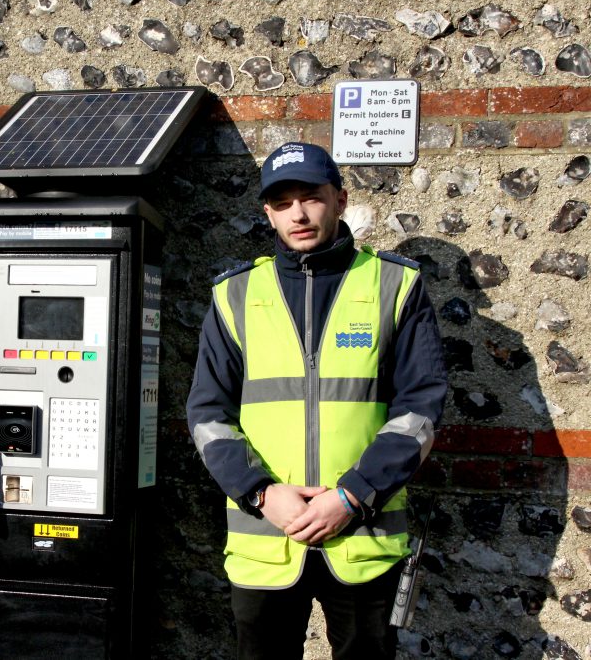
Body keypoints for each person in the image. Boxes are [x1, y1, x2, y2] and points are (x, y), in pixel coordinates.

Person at [186, 142, 447, 659]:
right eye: (283, 204)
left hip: (363, 539)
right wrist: (261, 493)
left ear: (341, 199)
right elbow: (208, 415)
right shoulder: (235, 295)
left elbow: (420, 409)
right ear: (267, 212)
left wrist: (351, 495)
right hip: (267, 537)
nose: (298, 214)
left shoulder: (396, 284)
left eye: (312, 198)